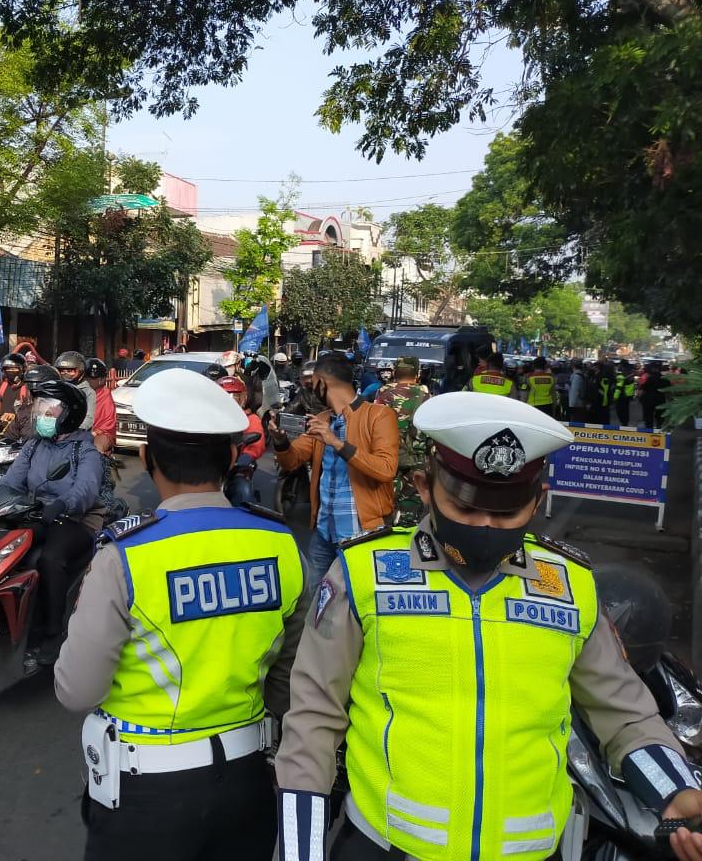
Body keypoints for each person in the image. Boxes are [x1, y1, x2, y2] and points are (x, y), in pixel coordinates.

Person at [274, 392, 702, 861]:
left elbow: (624, 715)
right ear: (423, 487)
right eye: (465, 508)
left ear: (537, 500)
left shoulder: (569, 586)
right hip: (385, 847)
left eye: (506, 512)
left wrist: (675, 791)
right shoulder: (363, 574)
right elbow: (313, 720)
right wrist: (300, 852)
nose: (484, 526)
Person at [55, 368, 308, 861]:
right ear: (232, 458)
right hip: (248, 784)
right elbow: (287, 685)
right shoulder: (281, 544)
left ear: (147, 458)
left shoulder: (125, 555)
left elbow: (76, 689)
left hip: (146, 791)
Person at [0, 376, 104, 664]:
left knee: (49, 559)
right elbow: (12, 480)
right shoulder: (34, 446)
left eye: (51, 408)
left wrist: (62, 504)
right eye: (41, 406)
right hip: (36, 513)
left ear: (69, 414)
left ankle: (53, 632)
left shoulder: (84, 450)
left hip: (76, 519)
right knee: (4, 548)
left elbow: (86, 489)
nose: (43, 413)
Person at [269, 351, 399, 581]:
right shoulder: (323, 419)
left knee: (358, 598)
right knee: (315, 597)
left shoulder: (379, 415)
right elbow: (292, 461)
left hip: (362, 533)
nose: (311, 389)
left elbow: (386, 468)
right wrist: (280, 442)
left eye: (312, 383)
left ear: (321, 382)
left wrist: (336, 442)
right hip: (324, 534)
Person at [374, 356, 431, 527]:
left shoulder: (383, 393)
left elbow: (374, 423)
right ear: (417, 374)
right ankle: (406, 530)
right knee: (411, 504)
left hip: (388, 455)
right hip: (416, 457)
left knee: (385, 502)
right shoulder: (426, 395)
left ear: (395, 373)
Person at [219, 374, 265, 462]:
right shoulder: (210, 417)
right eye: (224, 397)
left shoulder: (250, 419)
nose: (230, 402)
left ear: (244, 398)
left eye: (236, 397)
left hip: (235, 461)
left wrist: (246, 457)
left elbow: (257, 444)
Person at [56, 350, 97, 430]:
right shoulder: (58, 388)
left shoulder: (88, 392)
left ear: (81, 371)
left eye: (70, 371)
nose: (66, 374)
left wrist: (71, 430)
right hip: (56, 430)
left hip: (77, 433)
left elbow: (88, 419)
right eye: (62, 371)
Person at [87, 357, 117, 455]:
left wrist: (95, 433)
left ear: (102, 379)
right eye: (87, 378)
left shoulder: (105, 394)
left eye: (92, 378)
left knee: (96, 449)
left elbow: (109, 422)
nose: (88, 381)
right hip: (79, 432)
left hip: (101, 433)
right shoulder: (80, 391)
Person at [640, 362, 672, 431]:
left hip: (648, 399)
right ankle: (658, 426)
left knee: (648, 416)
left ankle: (649, 429)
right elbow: (669, 389)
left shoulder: (648, 378)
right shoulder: (665, 379)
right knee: (660, 415)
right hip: (660, 399)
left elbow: (643, 388)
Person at [568, 357, 589, 423]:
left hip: (577, 405)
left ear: (573, 366)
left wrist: (571, 405)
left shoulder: (576, 376)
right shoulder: (582, 375)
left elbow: (574, 392)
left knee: (576, 423)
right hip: (580, 404)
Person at [615, 360, 636, 426]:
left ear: (622, 365)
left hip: (622, 394)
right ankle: (625, 422)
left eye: (619, 364)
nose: (618, 366)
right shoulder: (631, 372)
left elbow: (619, 386)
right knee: (625, 409)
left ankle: (623, 423)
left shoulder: (622, 373)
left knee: (620, 410)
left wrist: (615, 396)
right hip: (628, 394)